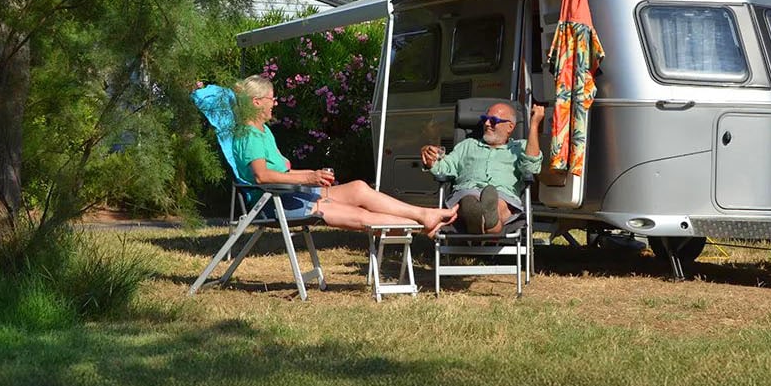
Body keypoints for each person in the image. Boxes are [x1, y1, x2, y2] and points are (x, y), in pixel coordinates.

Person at [229, 75, 456, 237]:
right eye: (272, 99)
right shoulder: (249, 136)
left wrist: (312, 174)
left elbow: (282, 172)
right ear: (256, 102)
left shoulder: (264, 131)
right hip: (275, 202)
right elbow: (262, 176)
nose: (275, 104)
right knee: (359, 215)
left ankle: (423, 213)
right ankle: (422, 224)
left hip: (291, 194)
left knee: (358, 187)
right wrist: (308, 179)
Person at [420, 101, 545, 234]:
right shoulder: (467, 145)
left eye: (493, 120)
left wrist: (534, 124)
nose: (486, 124)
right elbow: (445, 167)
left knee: (498, 201)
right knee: (468, 198)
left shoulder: (520, 148)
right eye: (485, 119)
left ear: (510, 127)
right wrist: (430, 158)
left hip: (503, 195)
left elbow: (531, 167)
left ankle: (479, 221)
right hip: (467, 191)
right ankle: (488, 223)